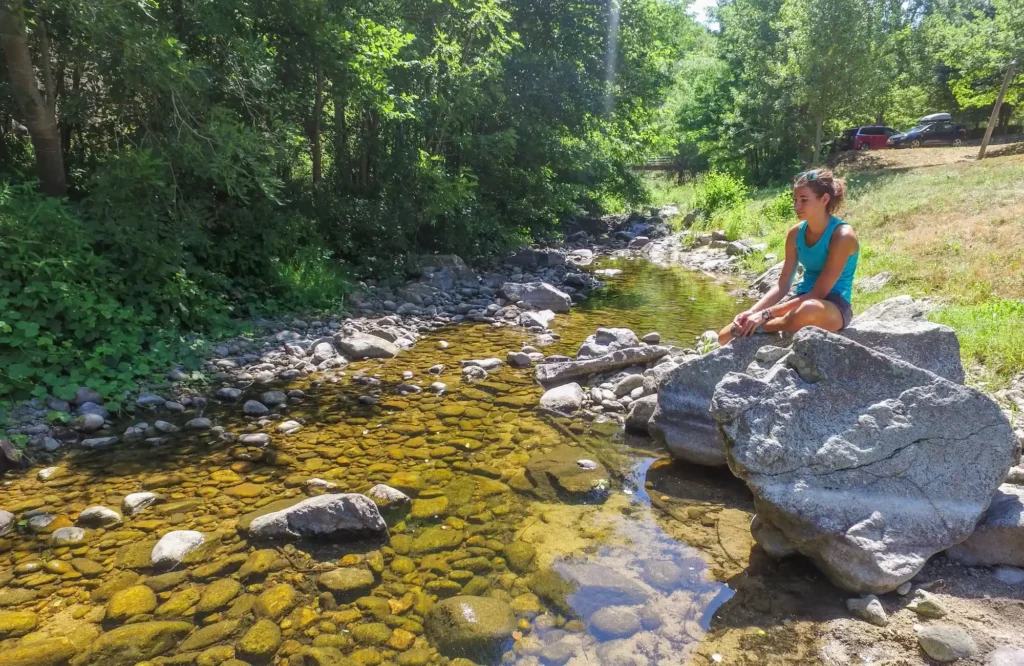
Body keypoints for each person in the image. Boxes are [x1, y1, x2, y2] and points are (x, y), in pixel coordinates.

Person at [718, 168, 859, 345]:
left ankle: (765, 326)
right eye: (795, 200)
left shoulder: (842, 235)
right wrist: (751, 312)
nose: (796, 206)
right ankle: (768, 324)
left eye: (804, 200)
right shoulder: (795, 233)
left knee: (808, 309)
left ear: (824, 199)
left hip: (832, 306)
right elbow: (782, 284)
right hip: (800, 300)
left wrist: (765, 315)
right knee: (724, 336)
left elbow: (818, 293)